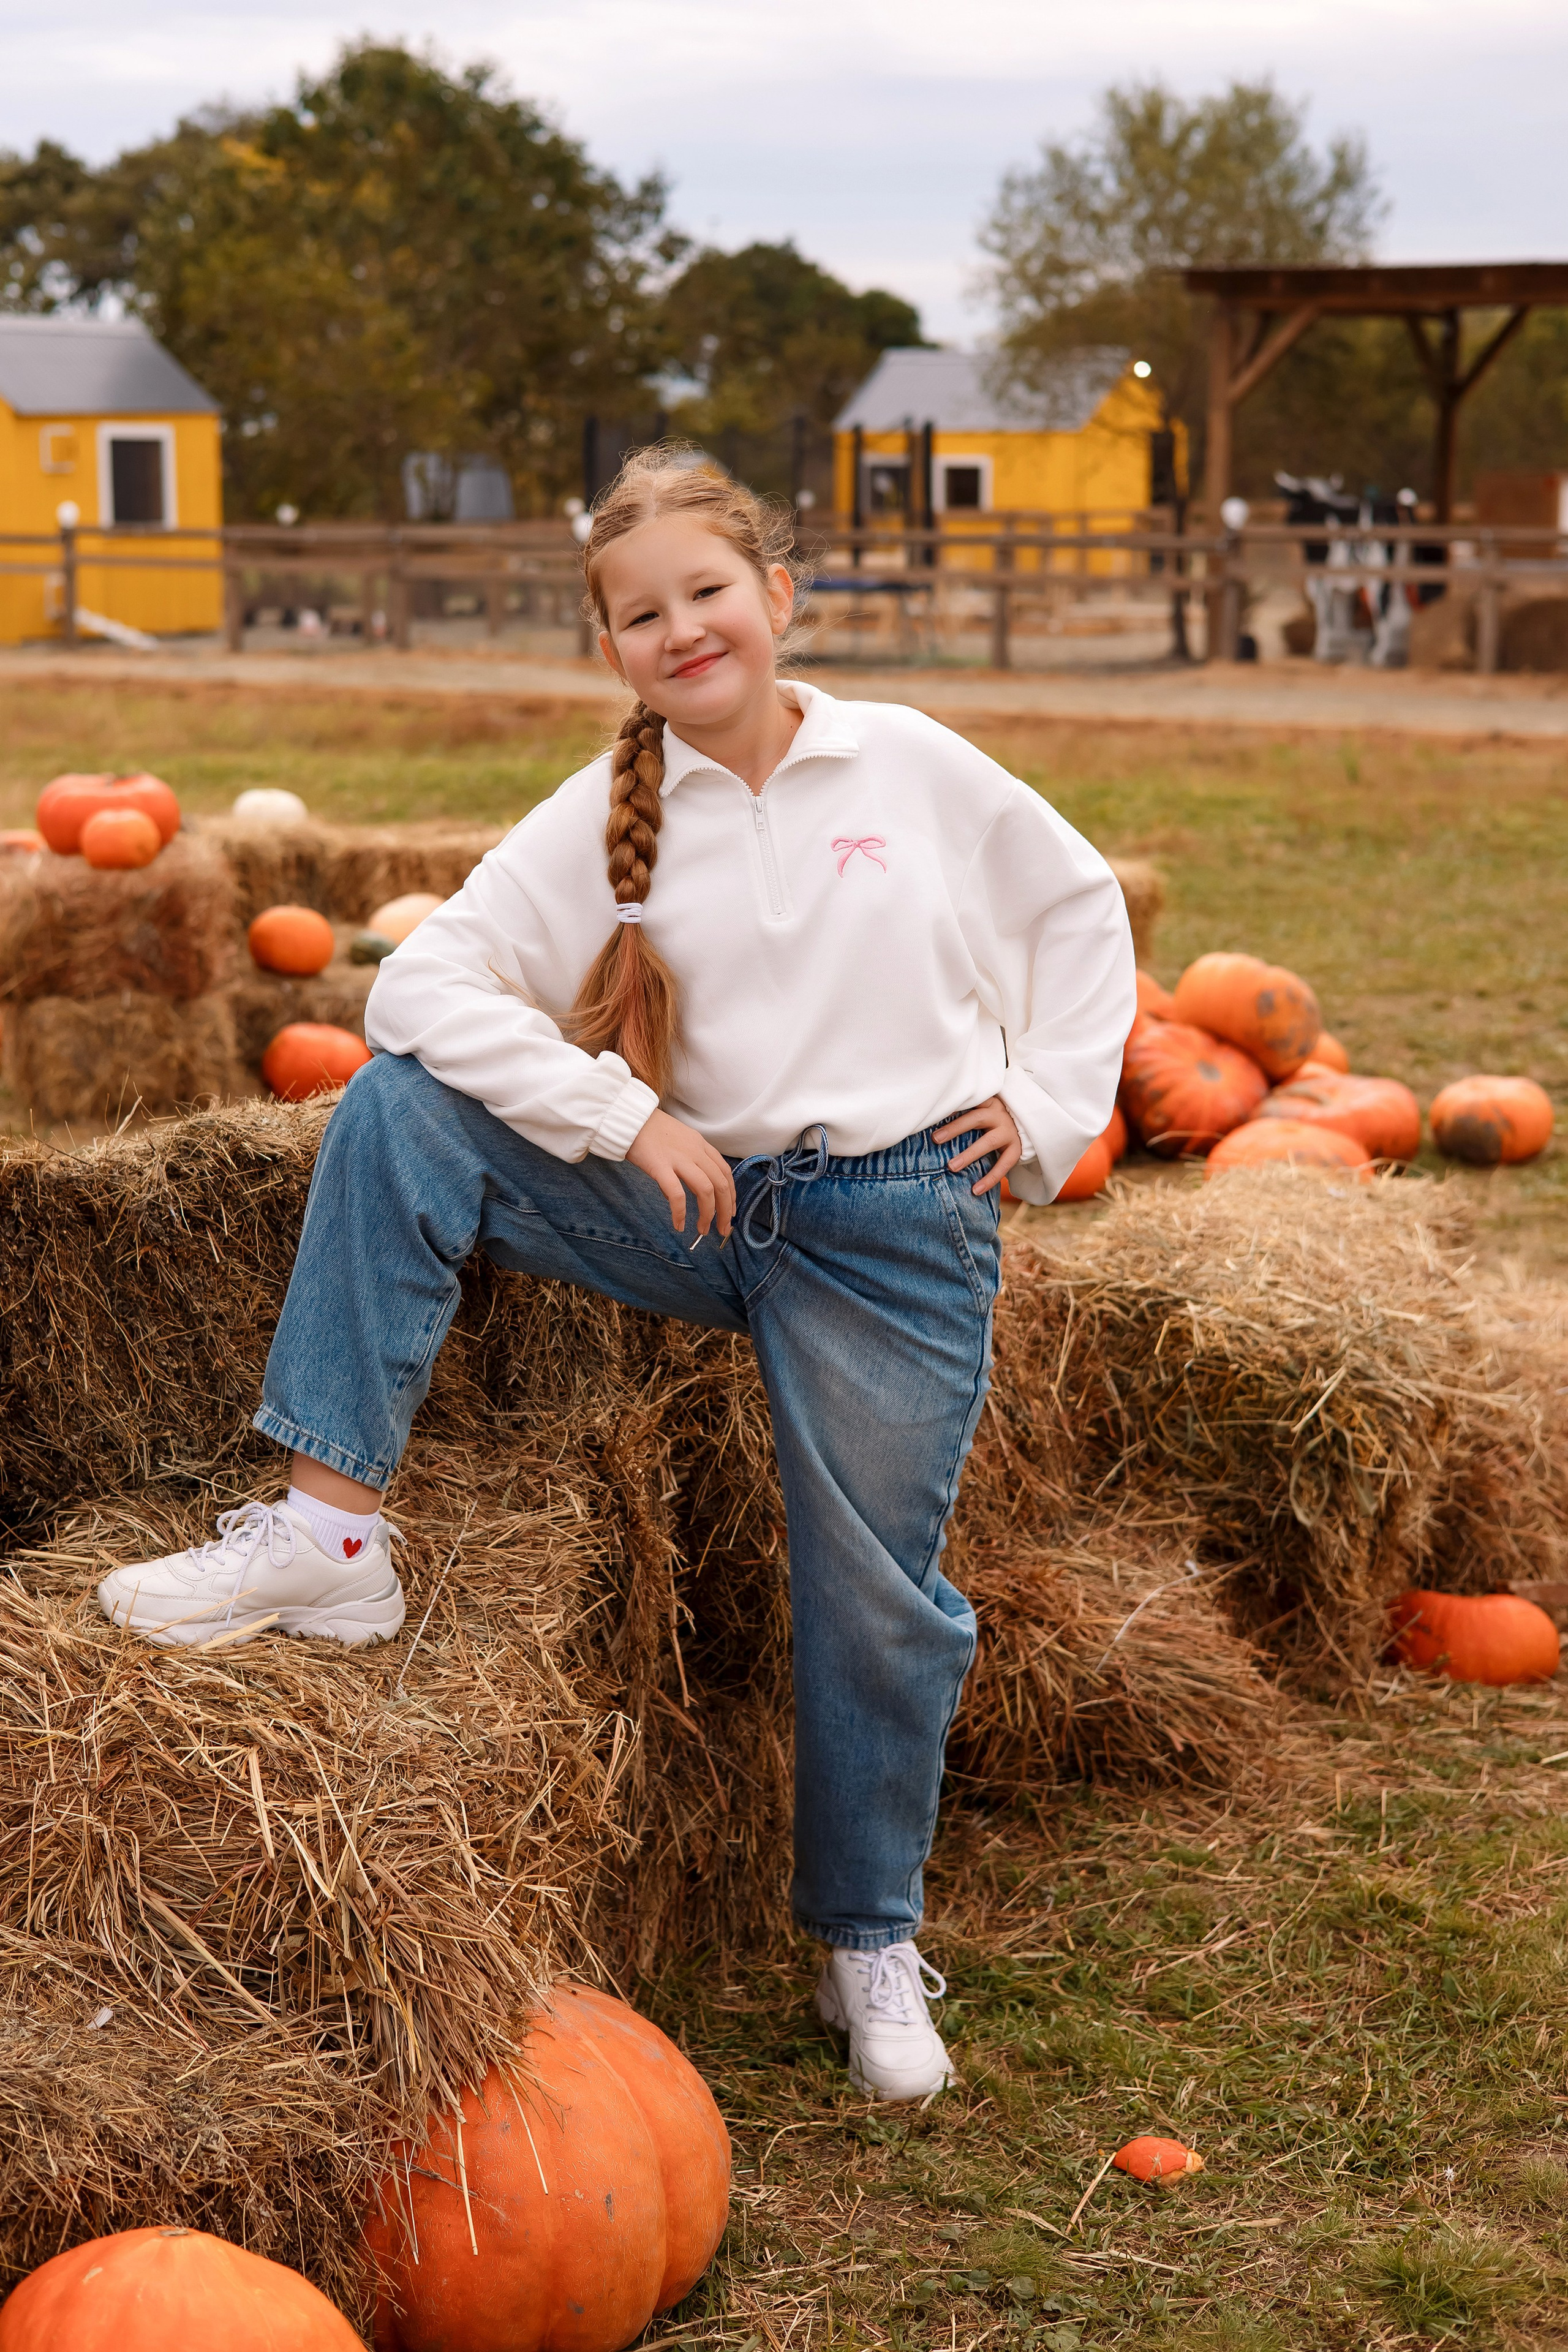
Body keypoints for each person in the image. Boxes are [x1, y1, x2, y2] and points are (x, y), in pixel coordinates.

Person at [97, 450, 1134, 2101]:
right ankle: (330, 1530)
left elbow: (1078, 912)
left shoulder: (909, 765)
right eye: (642, 613)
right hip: (705, 1207)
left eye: (710, 592)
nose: (684, 629)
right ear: (615, 651)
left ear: (779, 597)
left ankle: (866, 1936)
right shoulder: (611, 814)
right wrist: (621, 1109)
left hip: (891, 1225)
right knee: (403, 1108)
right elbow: (421, 987)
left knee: (875, 1598)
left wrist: (1053, 1105)